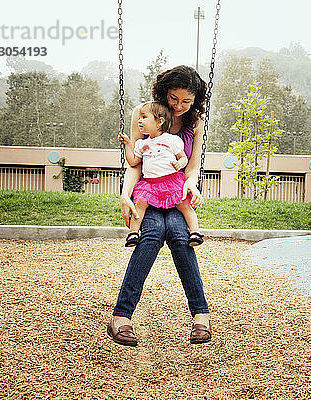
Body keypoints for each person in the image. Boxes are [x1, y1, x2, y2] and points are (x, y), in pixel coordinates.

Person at [107, 65, 211, 347]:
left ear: (195, 100)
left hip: (176, 191)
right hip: (148, 192)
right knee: (150, 236)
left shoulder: (195, 122)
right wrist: (125, 195)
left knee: (180, 237)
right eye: (174, 98)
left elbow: (192, 166)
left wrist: (191, 184)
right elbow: (135, 163)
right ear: (164, 92)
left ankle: (201, 314)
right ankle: (121, 316)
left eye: (186, 101)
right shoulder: (146, 114)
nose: (179, 106)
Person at [119, 101, 203, 248]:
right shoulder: (141, 144)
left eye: (144, 117)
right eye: (139, 117)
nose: (139, 120)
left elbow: (183, 157)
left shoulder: (171, 140)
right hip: (150, 184)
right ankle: (133, 232)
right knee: (140, 203)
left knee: (183, 204)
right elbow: (133, 162)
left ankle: (195, 232)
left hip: (171, 181)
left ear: (159, 121)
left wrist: (180, 164)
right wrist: (127, 145)